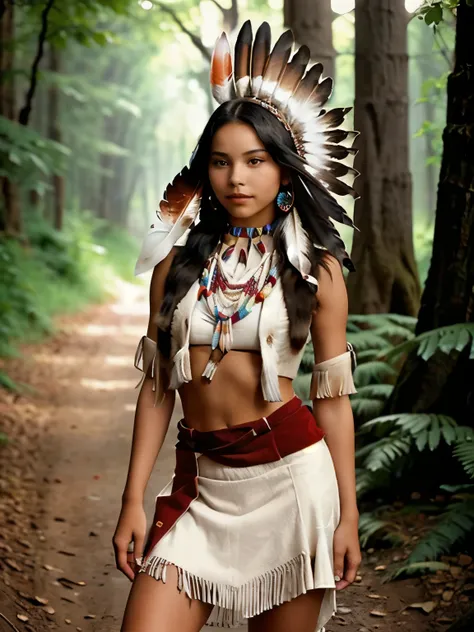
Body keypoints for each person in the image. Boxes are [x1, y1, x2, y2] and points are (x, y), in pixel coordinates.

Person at [113, 20, 361, 632]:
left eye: (255, 161)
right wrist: (131, 499)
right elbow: (157, 389)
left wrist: (348, 514)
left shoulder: (316, 271)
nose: (236, 178)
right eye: (221, 162)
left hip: (293, 485)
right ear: (206, 171)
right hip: (200, 483)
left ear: (283, 169)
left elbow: (332, 401)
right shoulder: (175, 261)